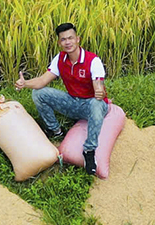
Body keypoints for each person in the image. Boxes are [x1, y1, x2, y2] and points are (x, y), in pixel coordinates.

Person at [14, 22, 108, 177]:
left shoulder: (93, 61)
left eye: (70, 38)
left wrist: (99, 92)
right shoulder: (60, 59)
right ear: (59, 42)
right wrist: (25, 83)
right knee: (39, 93)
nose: (68, 42)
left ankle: (89, 151)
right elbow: (42, 81)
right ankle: (55, 130)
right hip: (73, 101)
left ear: (78, 39)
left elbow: (98, 86)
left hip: (92, 105)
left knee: (97, 103)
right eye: (63, 39)